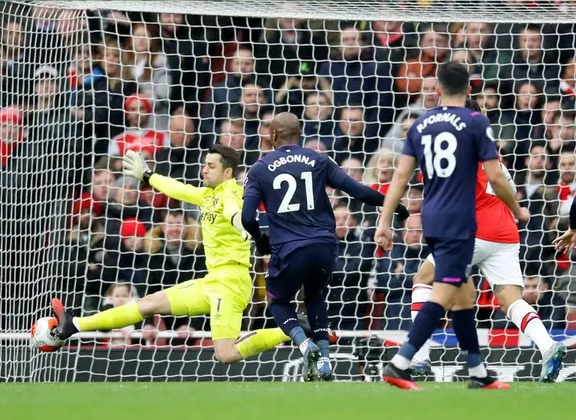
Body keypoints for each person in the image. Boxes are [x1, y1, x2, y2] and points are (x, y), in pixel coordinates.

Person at [49, 145, 292, 364]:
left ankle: (295, 330)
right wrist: (148, 176)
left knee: (225, 354)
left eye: (211, 166)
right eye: (204, 164)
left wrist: (243, 225)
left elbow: (233, 212)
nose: (204, 170)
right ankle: (75, 324)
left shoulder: (230, 194)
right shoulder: (208, 195)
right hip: (213, 281)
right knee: (148, 304)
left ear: (227, 172)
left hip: (230, 285)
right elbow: (179, 189)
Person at [375, 61, 529, 391]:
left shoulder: (420, 124)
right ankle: (401, 363)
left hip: (432, 217)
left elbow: (401, 178)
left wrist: (385, 221)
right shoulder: (475, 121)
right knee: (444, 294)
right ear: (470, 89)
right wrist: (517, 208)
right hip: (459, 221)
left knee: (464, 296)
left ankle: (477, 372)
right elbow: (496, 177)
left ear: (437, 89)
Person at [240, 112, 409, 380]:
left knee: (278, 302)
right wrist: (393, 205)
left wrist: (262, 242)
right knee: (315, 297)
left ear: (273, 135)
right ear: (299, 134)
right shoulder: (318, 159)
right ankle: (325, 361)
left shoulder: (260, 168)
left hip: (288, 248)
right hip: (324, 246)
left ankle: (305, 345)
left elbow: (247, 217)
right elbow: (357, 190)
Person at [408, 99, 566, 382]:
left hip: (473, 231)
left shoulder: (454, 151)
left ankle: (419, 359)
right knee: (510, 300)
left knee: (423, 279)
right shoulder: (491, 153)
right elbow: (508, 188)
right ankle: (548, 345)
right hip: (505, 232)